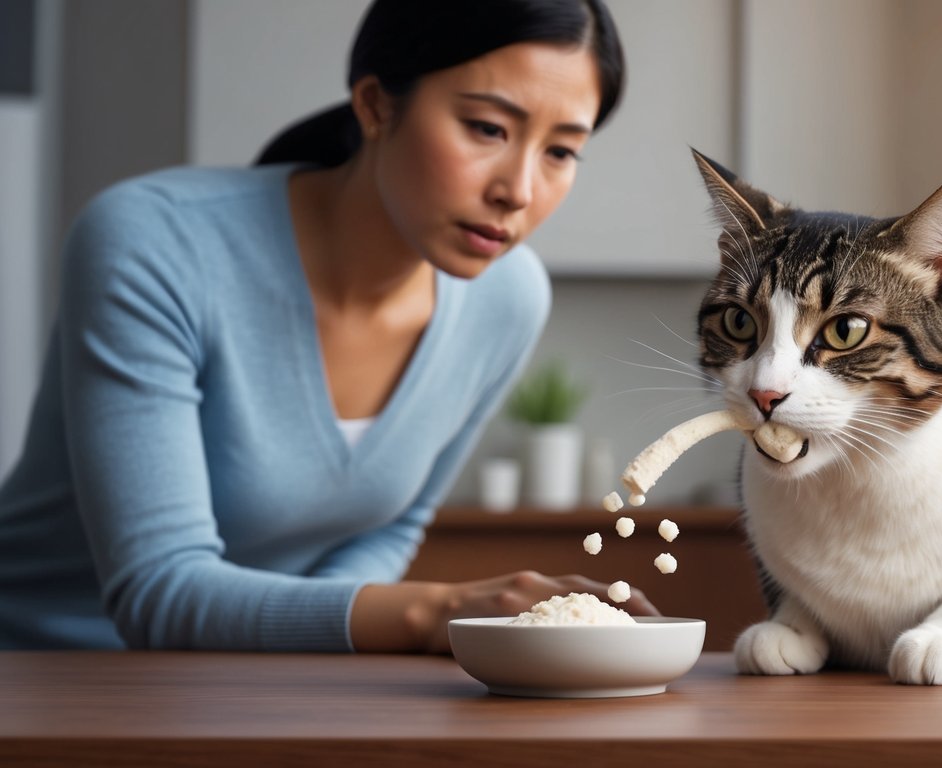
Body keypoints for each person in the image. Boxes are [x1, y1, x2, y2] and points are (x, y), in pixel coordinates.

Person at [0, 0, 656, 652]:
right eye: (487, 128)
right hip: (42, 676)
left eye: (562, 151)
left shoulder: (508, 299)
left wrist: (323, 643)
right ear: (375, 104)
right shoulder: (156, 243)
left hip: (257, 682)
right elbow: (158, 592)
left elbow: (387, 531)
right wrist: (436, 612)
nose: (517, 188)